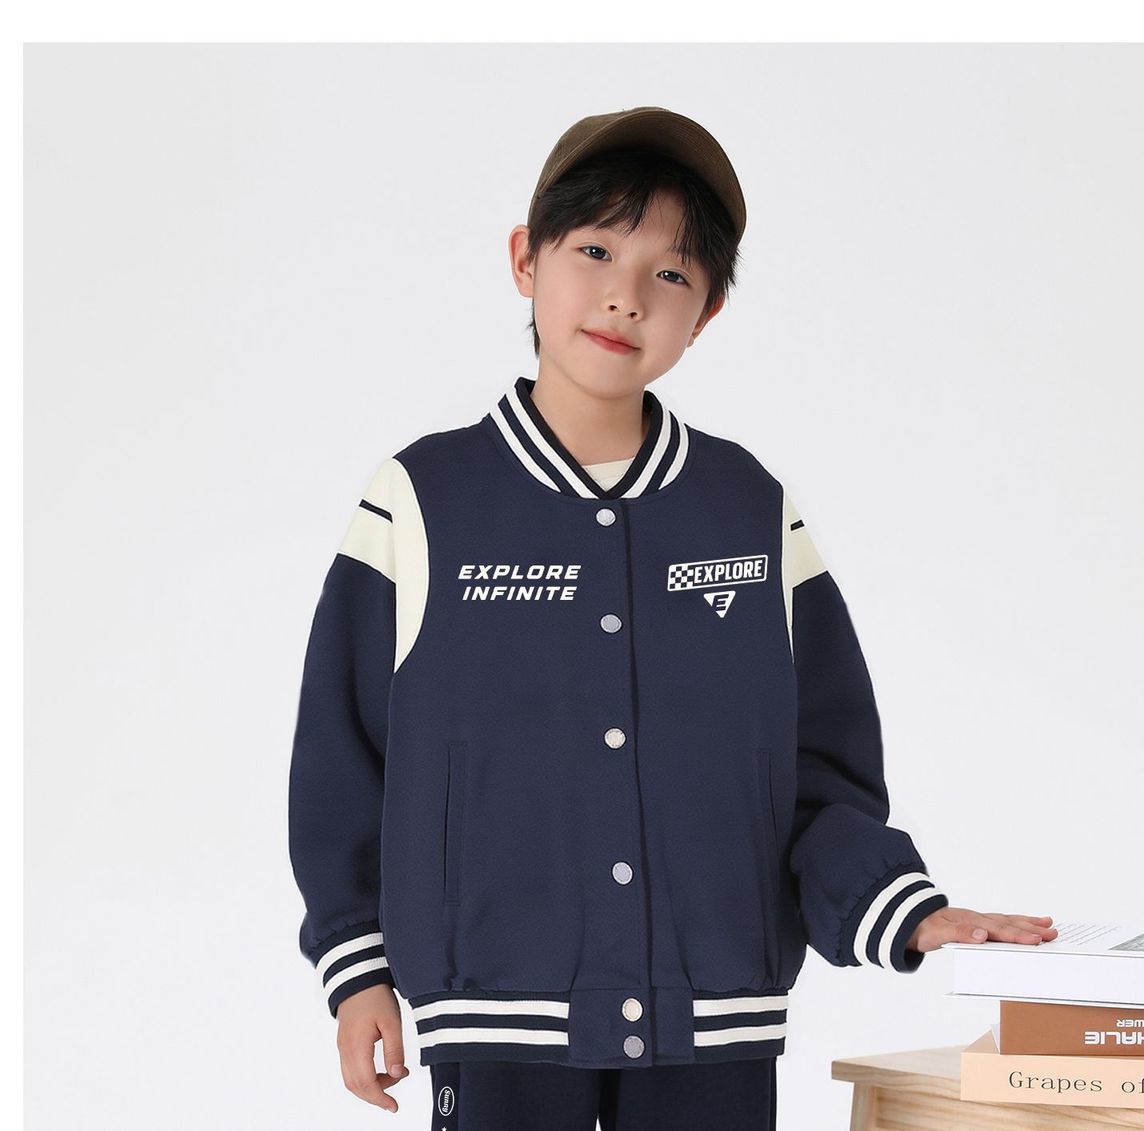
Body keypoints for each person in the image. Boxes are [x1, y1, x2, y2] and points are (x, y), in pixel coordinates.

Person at [287, 106, 1057, 1131]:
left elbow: (822, 771)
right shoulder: (422, 500)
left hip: (713, 1024)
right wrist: (357, 970)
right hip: (496, 1018)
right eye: (596, 251)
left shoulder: (748, 509)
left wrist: (906, 911)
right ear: (525, 259)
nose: (627, 295)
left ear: (708, 314)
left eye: (672, 273)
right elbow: (341, 761)